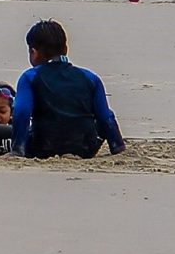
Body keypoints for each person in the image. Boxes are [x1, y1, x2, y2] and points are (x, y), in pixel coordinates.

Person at [11, 20, 124, 158]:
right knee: (102, 115)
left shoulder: (29, 77)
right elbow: (106, 117)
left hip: (42, 148)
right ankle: (118, 148)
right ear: (65, 49)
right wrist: (118, 147)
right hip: (85, 148)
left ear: (33, 52)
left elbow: (22, 113)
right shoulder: (90, 77)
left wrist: (17, 150)